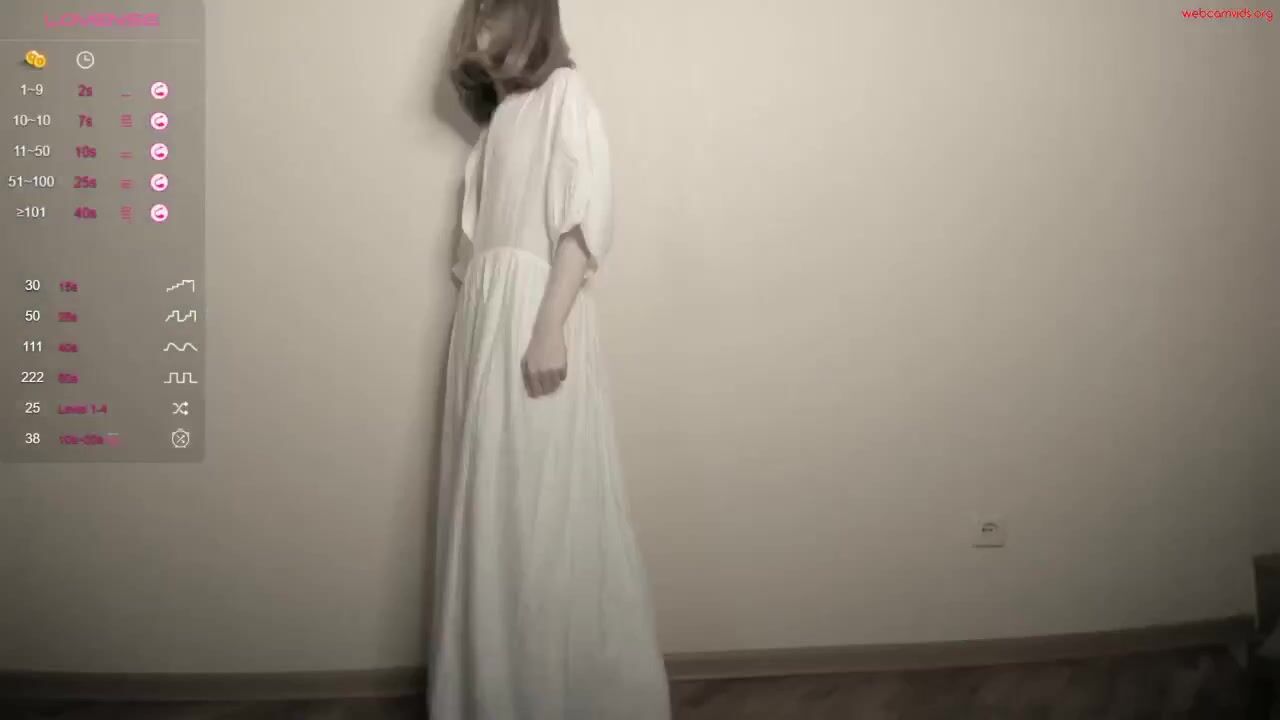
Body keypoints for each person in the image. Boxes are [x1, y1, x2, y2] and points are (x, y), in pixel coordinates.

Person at [428, 1, 672, 717]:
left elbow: (582, 221)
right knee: (495, 515)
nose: (479, 27)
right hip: (487, 327)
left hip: (534, 318)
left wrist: (548, 329)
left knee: (542, 513)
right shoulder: (500, 121)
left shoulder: (565, 92)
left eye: (492, 12)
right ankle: (494, 696)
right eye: (476, 14)